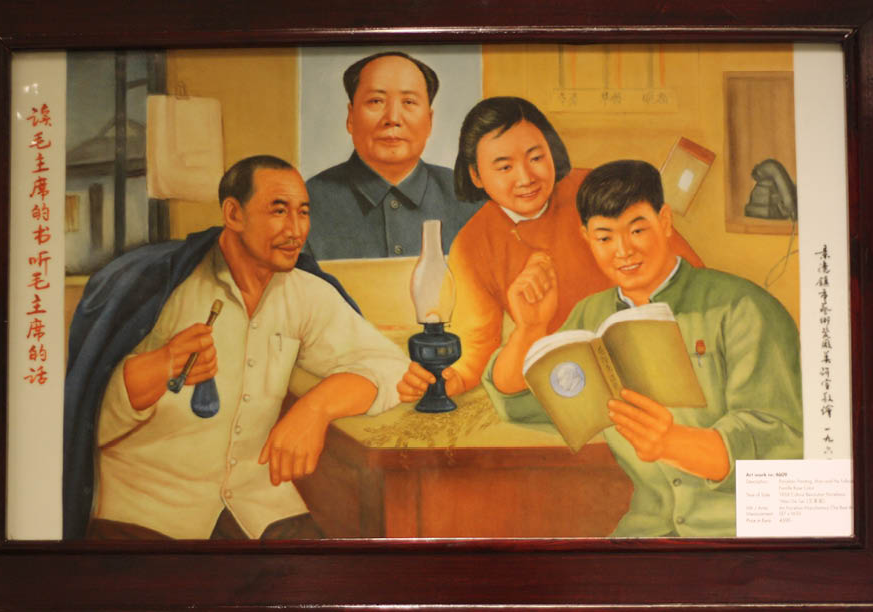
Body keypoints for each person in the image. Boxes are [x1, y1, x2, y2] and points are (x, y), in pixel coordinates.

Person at [63, 155, 409, 540]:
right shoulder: (161, 289)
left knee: (322, 571)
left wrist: (317, 407)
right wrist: (159, 368)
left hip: (258, 504)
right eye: (279, 211)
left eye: (303, 212)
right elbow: (86, 421)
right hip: (148, 510)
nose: (296, 230)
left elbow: (393, 368)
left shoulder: (304, 292)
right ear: (233, 214)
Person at [482, 159, 803, 537]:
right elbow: (524, 402)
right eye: (605, 238)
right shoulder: (591, 316)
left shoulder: (742, 308)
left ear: (664, 222)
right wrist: (529, 329)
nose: (623, 250)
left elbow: (781, 442)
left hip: (738, 534)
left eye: (637, 230)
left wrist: (672, 443)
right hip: (646, 533)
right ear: (586, 237)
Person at [397, 97, 703, 400]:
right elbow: (475, 346)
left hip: (662, 349)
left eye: (536, 158)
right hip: (572, 377)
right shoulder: (472, 244)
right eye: (505, 167)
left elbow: (687, 274)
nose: (525, 178)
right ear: (475, 175)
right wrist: (448, 379)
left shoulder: (596, 192)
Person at [305, 51, 480, 260]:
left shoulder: (471, 199)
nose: (393, 118)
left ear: (429, 121)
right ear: (351, 117)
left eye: (409, 102)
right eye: (376, 101)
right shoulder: (307, 202)